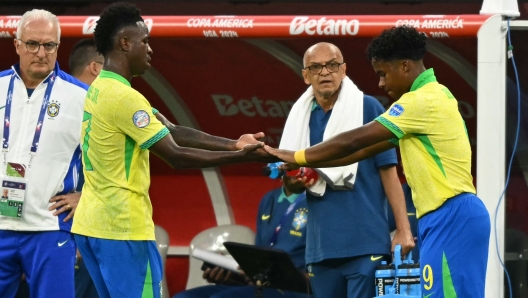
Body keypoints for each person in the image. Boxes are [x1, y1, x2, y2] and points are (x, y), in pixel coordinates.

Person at [265, 27, 491, 298]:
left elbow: (355, 140)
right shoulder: (431, 98)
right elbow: (361, 152)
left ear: (405, 66)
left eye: (383, 74)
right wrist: (294, 160)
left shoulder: (421, 101)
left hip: (453, 214)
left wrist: (295, 155)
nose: (381, 84)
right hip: (438, 217)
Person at [71, 3, 274, 298]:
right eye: (145, 41)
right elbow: (175, 154)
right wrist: (240, 156)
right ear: (125, 43)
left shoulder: (100, 89)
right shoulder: (125, 98)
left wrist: (234, 142)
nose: (150, 49)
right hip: (123, 229)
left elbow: (174, 130)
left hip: (92, 226)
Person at [272, 42, 414, 298]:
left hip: (365, 243)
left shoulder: (367, 107)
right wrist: (294, 179)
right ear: (306, 75)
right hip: (320, 248)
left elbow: (389, 172)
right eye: (316, 67)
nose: (325, 72)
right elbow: (290, 186)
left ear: (344, 70)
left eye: (332, 65)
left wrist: (403, 229)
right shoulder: (299, 118)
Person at [0, 9, 87, 298]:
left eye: (49, 45)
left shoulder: (83, 98)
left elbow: (110, 157)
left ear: (58, 47)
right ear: (17, 45)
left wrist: (88, 195)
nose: (41, 52)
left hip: (50, 228)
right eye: (32, 44)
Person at [173, 174, 310, 298]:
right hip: (261, 284)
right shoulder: (269, 198)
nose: (294, 169)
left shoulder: (319, 202)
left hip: (294, 289)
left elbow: (320, 276)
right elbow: (259, 259)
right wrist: (232, 277)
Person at [68, 38, 103, 298]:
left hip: (88, 229)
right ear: (95, 68)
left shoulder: (100, 105)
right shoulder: (73, 105)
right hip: (68, 231)